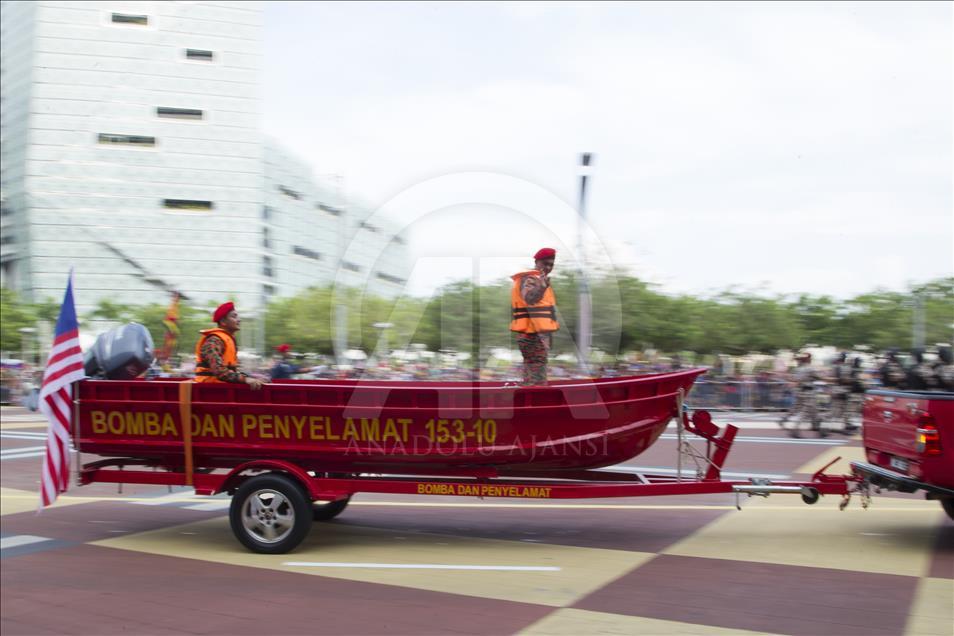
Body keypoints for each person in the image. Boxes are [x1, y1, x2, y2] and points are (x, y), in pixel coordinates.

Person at [511, 247, 559, 386]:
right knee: (537, 378)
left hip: (535, 335)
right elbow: (529, 298)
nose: (549, 267)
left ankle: (528, 404)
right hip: (532, 335)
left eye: (551, 264)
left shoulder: (538, 279)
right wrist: (541, 287)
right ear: (537, 262)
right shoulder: (530, 279)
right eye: (545, 263)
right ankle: (537, 404)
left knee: (531, 374)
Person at [194, 302, 265, 389]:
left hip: (221, 389)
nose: (239, 320)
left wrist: (252, 378)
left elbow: (231, 371)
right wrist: (245, 379)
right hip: (210, 391)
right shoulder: (214, 341)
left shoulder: (225, 339)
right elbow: (219, 370)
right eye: (234, 316)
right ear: (223, 322)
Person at [778, 353, 826, 438]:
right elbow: (820, 377)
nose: (811, 359)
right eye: (810, 358)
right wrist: (827, 376)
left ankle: (819, 429)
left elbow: (794, 379)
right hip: (809, 392)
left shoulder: (798, 369)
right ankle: (795, 429)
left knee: (813, 410)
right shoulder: (810, 369)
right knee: (806, 411)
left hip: (800, 391)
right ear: (808, 359)